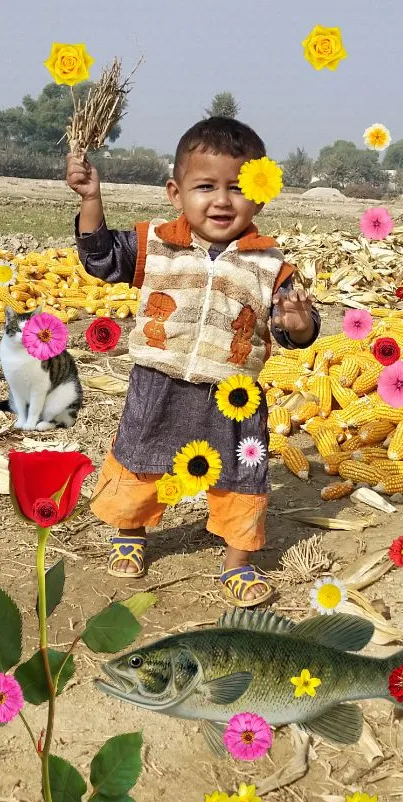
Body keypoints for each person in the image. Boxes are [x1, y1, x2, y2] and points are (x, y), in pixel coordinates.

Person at [66, 116, 320, 606]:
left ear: (260, 197)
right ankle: (131, 530)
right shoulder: (157, 244)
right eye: (205, 186)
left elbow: (299, 335)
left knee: (240, 474)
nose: (222, 200)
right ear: (175, 193)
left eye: (237, 188)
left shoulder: (272, 265)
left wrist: (296, 323)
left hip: (234, 394)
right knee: (141, 458)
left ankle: (237, 562)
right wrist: (90, 200)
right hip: (159, 380)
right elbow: (100, 258)